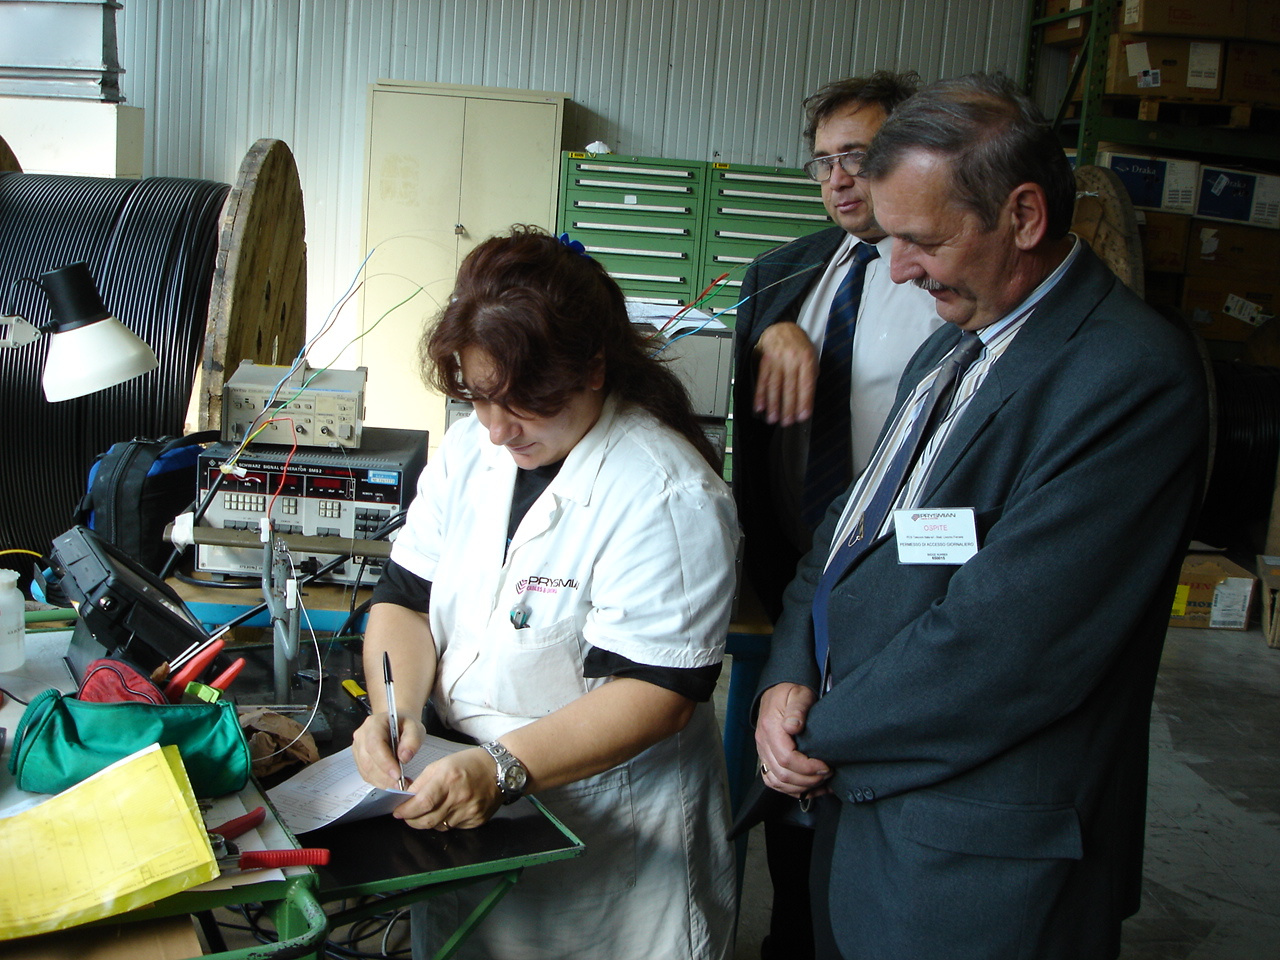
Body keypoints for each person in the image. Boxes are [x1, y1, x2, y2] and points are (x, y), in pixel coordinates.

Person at [753, 73, 1209, 960]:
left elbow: (1009, 647)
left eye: (920, 239)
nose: (897, 268)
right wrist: (785, 673)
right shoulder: (953, 344)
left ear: (1025, 217)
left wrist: (812, 729)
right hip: (869, 817)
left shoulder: (1127, 378)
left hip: (981, 869)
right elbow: (845, 540)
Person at [353, 226, 739, 960]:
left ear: (593, 368)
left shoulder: (666, 491)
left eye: (521, 402)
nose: (496, 429)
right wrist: (393, 710)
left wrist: (501, 768)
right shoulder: (471, 449)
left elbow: (660, 691)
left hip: (608, 840)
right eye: (479, 396)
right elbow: (404, 598)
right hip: (461, 806)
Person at [730, 70, 942, 960]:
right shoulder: (783, 274)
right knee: (782, 775)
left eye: (861, 156)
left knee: (877, 794)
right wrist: (767, 332)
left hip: (912, 588)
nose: (840, 181)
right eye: (823, 164)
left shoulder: (941, 277)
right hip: (791, 584)